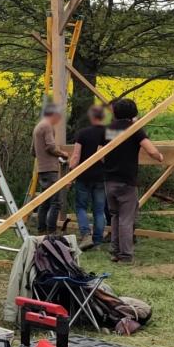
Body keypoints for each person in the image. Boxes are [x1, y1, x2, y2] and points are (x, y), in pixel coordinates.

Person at [104, 99, 163, 264]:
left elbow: (100, 152)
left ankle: (115, 251)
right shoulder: (134, 130)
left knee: (115, 216)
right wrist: (159, 156)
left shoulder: (110, 129)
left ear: (115, 112)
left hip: (109, 180)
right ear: (134, 113)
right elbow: (150, 150)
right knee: (126, 219)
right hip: (126, 181)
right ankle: (125, 255)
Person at [69, 105, 108, 250]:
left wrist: (71, 174)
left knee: (81, 207)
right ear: (103, 117)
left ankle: (86, 235)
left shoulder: (83, 133)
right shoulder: (109, 133)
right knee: (99, 210)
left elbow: (76, 156)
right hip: (101, 176)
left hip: (83, 176)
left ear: (91, 117)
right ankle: (97, 242)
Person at [32, 104, 69, 235]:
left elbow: (33, 151)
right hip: (51, 170)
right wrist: (63, 154)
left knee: (45, 202)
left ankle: (41, 230)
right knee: (56, 202)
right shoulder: (47, 126)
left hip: (42, 169)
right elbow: (51, 147)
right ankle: (52, 231)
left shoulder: (38, 127)